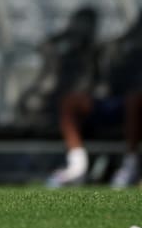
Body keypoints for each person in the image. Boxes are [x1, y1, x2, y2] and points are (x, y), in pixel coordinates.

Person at [47, 11, 142, 188]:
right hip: (114, 102)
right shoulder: (120, 48)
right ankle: (77, 164)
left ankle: (131, 164)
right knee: (70, 102)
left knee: (134, 100)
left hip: (135, 106)